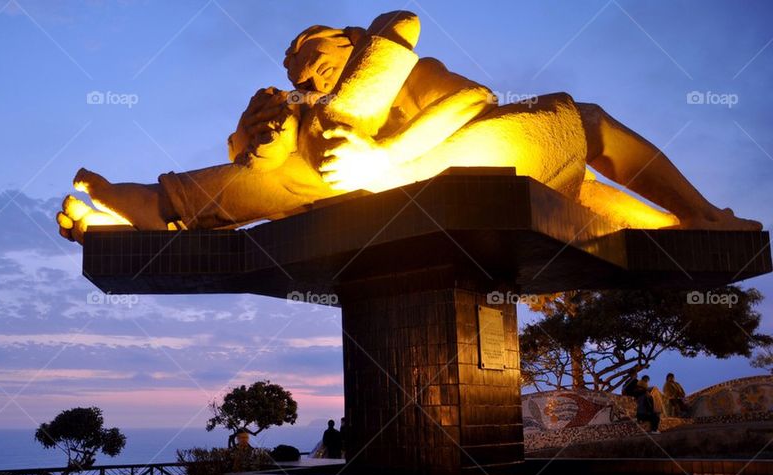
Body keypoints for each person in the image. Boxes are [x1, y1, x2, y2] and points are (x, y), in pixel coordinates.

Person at [56, 10, 760, 243]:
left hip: (472, 151)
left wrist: (384, 156)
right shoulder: (295, 136)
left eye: (314, 57)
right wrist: (103, 202)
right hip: (383, 194)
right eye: (295, 69)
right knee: (582, 145)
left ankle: (695, 217)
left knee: (583, 134)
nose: (306, 72)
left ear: (347, 47)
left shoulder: (400, 76)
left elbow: (472, 99)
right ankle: (685, 229)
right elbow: (183, 201)